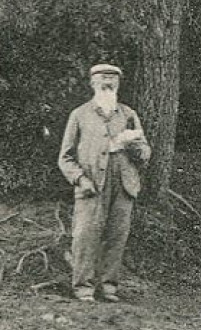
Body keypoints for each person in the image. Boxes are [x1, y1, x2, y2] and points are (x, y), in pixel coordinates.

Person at [57, 63, 151, 303]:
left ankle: (108, 286)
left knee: (116, 235)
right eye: (102, 81)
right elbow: (65, 157)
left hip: (123, 184)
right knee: (86, 235)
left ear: (119, 85)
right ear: (92, 84)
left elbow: (145, 152)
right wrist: (79, 179)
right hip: (91, 184)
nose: (107, 84)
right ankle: (83, 287)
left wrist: (133, 146)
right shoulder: (80, 115)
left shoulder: (128, 115)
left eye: (112, 81)